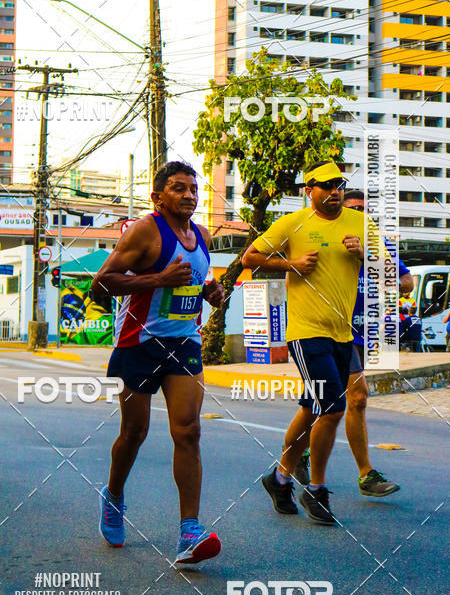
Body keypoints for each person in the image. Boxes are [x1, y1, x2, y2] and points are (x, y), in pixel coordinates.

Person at [91, 161, 225, 564]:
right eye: (178, 188)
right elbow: (102, 283)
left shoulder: (200, 234)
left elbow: (196, 281)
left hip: (183, 342)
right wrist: (157, 280)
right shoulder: (145, 231)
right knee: (134, 433)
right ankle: (113, 497)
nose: (188, 195)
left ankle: (189, 531)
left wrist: (211, 291)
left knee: (188, 431)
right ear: (157, 196)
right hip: (139, 343)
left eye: (193, 188)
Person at [243, 160, 367, 525]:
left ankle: (279, 478)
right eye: (326, 186)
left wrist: (364, 254)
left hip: (343, 334)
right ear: (308, 190)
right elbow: (250, 257)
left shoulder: (360, 223)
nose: (335, 192)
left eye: (339, 185)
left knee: (313, 408)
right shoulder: (293, 223)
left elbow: (392, 270)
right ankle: (316, 489)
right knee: (332, 407)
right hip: (306, 331)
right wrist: (292, 264)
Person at [293, 189, 412, 497]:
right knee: (322, 404)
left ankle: (362, 474)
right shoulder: (315, 236)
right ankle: (296, 461)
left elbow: (405, 283)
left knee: (341, 401)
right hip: (319, 331)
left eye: (364, 210)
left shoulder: (373, 242)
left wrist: (365, 257)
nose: (360, 214)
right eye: (354, 208)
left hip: (355, 334)